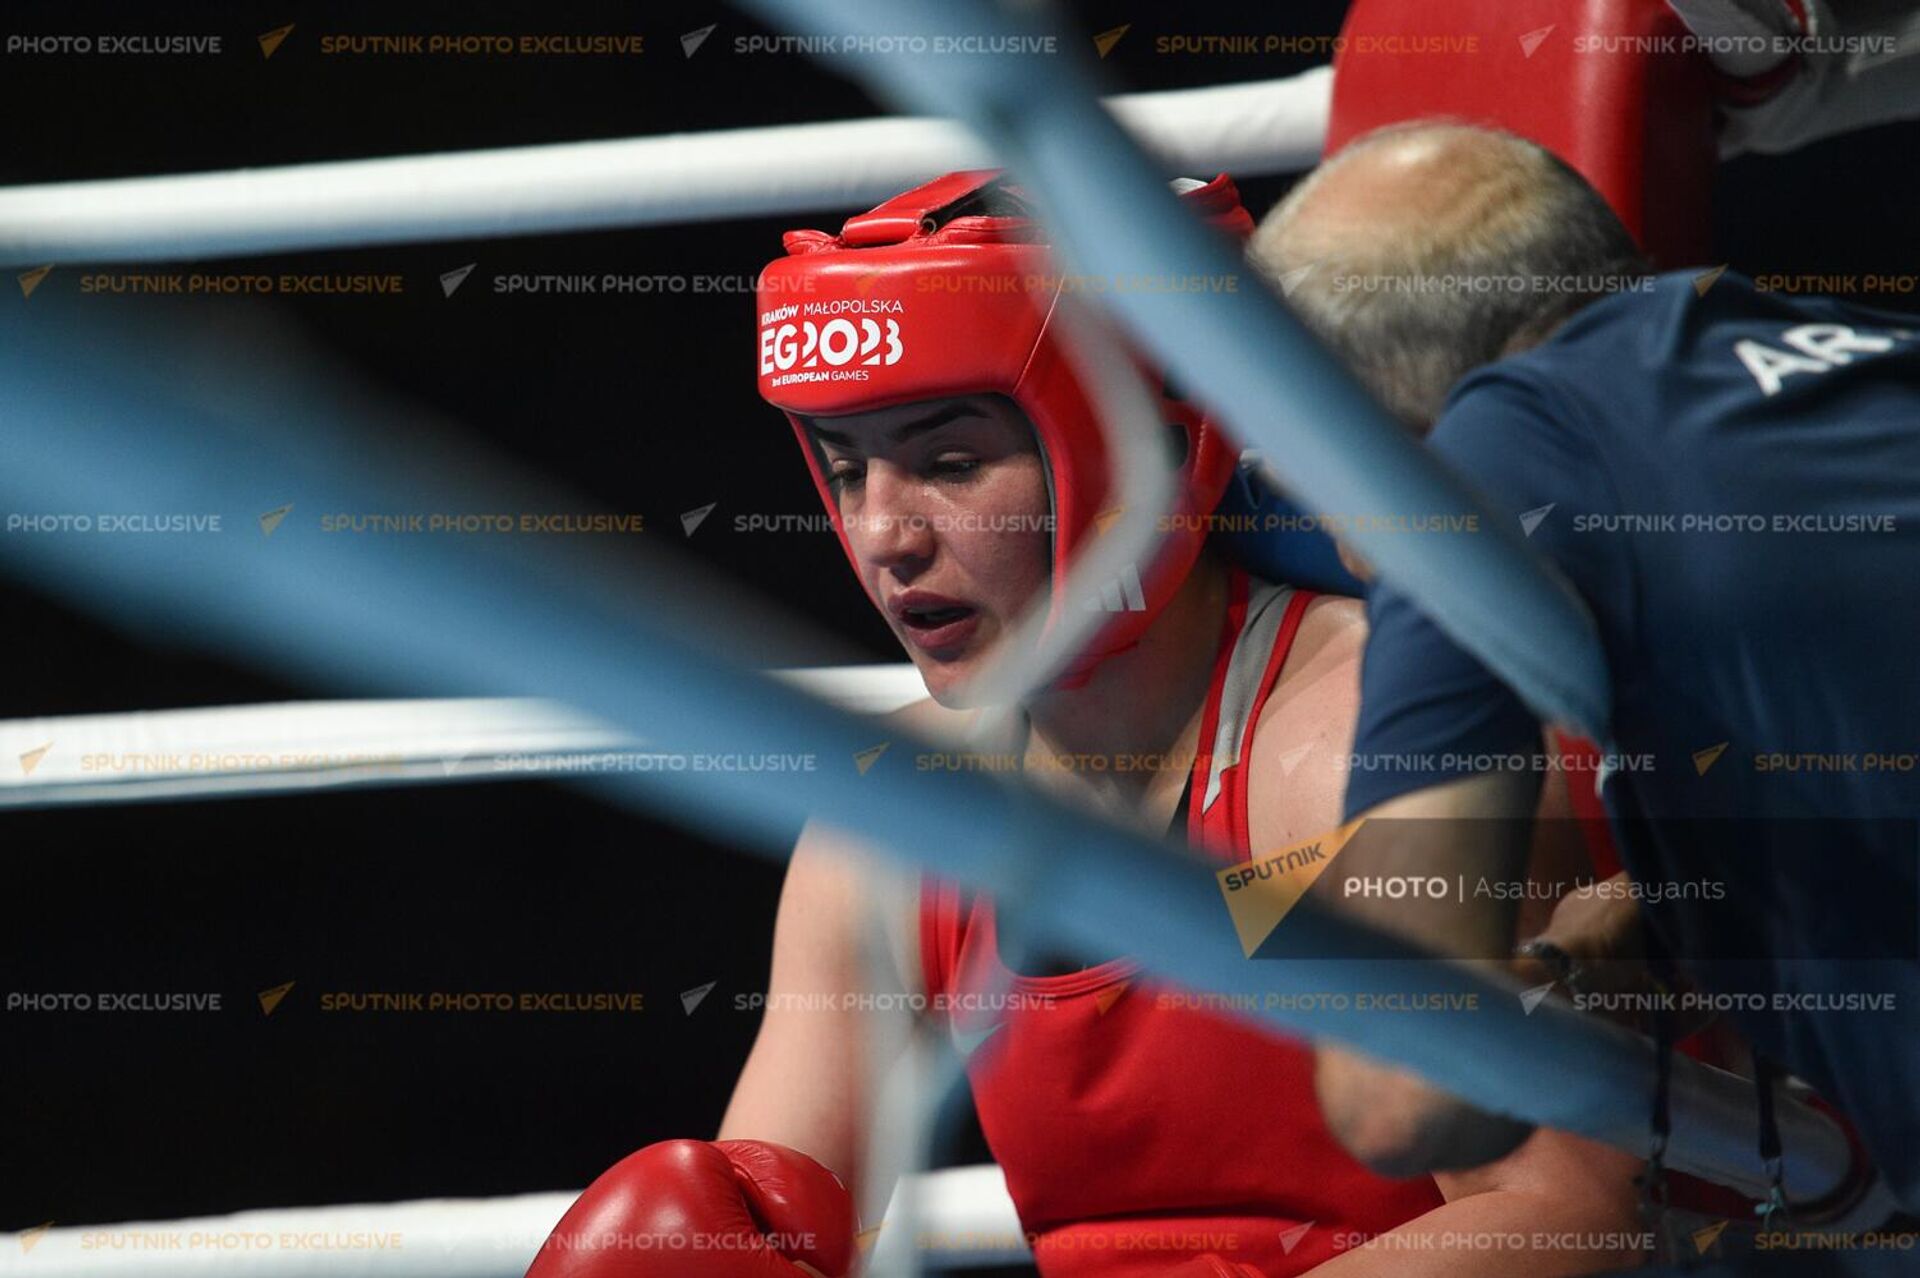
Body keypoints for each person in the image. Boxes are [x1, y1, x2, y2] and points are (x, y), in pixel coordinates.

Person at [525, 171, 1643, 1278]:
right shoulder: (894, 829)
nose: (885, 537)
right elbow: (776, 1234)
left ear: (1152, 452)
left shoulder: (1358, 746)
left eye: (951, 463)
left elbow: (1562, 1220)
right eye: (846, 468)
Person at [1250, 121, 1920, 1214]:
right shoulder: (1858, 360)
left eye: (1308, 482)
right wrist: (1661, 924)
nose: (1335, 538)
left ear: (1358, 430)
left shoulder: (1492, 464)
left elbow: (1404, 1095)